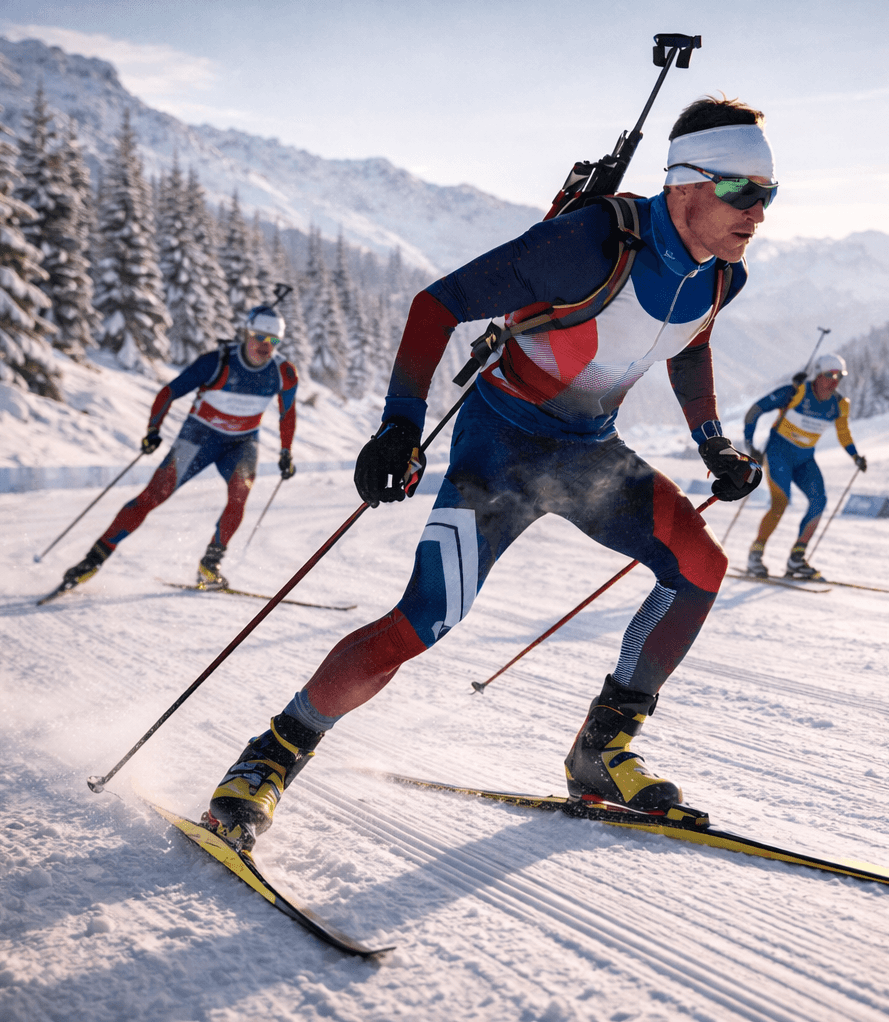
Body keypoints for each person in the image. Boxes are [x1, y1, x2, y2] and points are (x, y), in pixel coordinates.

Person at [203, 98, 772, 849]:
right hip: (501, 448)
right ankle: (272, 755)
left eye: (768, 195)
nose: (757, 211)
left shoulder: (722, 275)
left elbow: (689, 341)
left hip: (588, 453)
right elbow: (438, 304)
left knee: (699, 567)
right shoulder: (590, 244)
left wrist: (712, 442)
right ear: (687, 183)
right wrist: (400, 425)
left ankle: (601, 754)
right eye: (742, 190)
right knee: (424, 620)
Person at [54, 306, 299, 595]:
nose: (265, 346)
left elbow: (288, 414)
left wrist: (286, 452)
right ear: (247, 333)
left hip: (242, 443)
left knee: (239, 496)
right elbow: (169, 392)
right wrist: (153, 431)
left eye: (273, 340)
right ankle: (92, 561)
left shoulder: (283, 373)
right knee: (151, 497)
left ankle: (210, 565)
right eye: (259, 337)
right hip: (199, 438)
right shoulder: (217, 362)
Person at [745, 352, 866, 580]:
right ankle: (755, 554)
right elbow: (755, 411)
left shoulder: (839, 404)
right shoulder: (796, 392)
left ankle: (796, 558)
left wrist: (855, 456)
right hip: (778, 454)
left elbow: (843, 433)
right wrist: (751, 446)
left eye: (839, 376)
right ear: (817, 375)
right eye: (829, 375)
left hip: (804, 460)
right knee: (780, 503)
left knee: (819, 501)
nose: (834, 381)